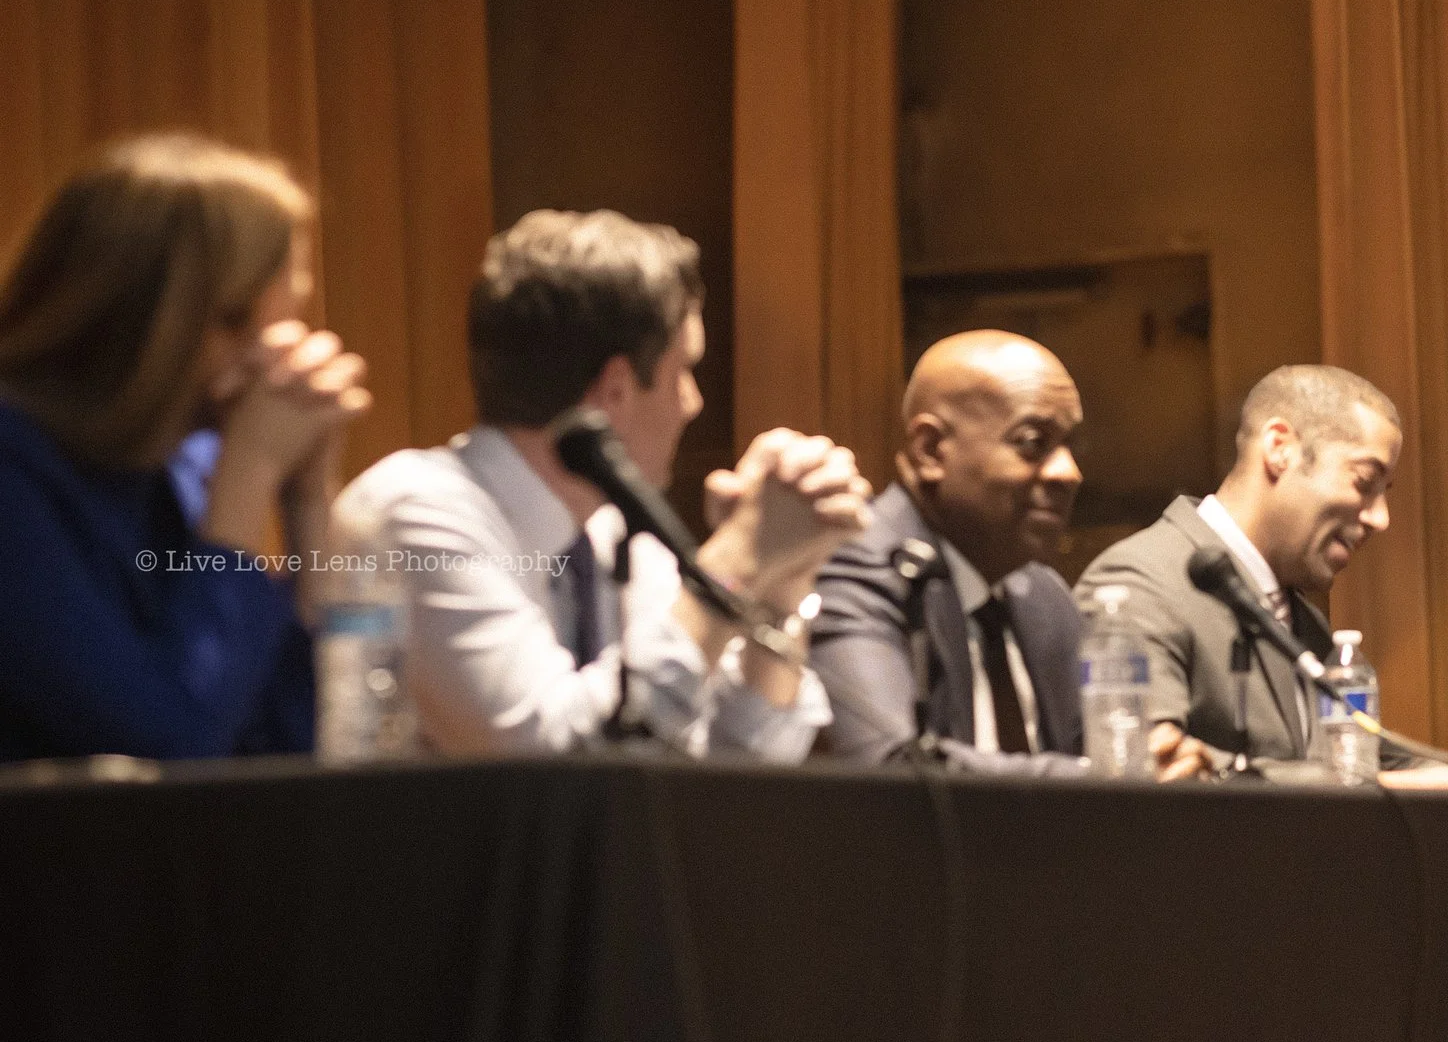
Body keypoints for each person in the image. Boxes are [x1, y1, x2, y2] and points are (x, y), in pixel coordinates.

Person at [332, 209, 868, 757]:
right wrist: (738, 559)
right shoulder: (415, 513)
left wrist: (779, 585)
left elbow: (741, 758)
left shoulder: (606, 531)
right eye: (684, 371)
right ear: (614, 392)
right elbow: (557, 762)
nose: (693, 403)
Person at [0, 134, 369, 762]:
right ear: (147, 320)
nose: (276, 360)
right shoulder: (16, 471)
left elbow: (310, 744)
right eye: (243, 326)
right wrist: (251, 472)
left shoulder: (188, 464)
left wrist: (308, 505)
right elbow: (163, 748)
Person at [1076, 363, 1418, 781]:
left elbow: (1380, 753)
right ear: (1280, 449)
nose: (1380, 518)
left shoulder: (1302, 620)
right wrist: (1375, 785)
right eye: (1364, 481)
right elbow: (1155, 772)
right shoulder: (1136, 586)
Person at [809, 330, 1090, 772]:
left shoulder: (1044, 598)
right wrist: (1099, 781)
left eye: (1070, 447)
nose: (1067, 473)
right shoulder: (856, 568)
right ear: (930, 450)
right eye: (1033, 443)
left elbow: (1100, 752)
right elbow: (888, 770)